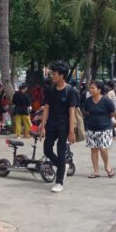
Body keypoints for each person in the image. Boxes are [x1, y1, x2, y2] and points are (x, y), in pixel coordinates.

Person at [38, 62, 79, 193]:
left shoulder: (70, 91)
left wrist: (71, 131)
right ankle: (62, 166)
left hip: (64, 124)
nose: (52, 76)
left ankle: (59, 182)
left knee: (61, 151)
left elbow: (72, 111)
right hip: (51, 123)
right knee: (47, 149)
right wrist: (42, 126)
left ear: (61, 75)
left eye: (54, 74)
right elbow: (46, 108)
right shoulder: (50, 89)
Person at [82, 81, 116, 178]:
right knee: (93, 150)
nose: (91, 90)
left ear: (99, 90)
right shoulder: (88, 101)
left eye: (93, 88)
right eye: (90, 88)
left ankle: (107, 166)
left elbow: (113, 112)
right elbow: (86, 112)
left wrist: (106, 119)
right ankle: (96, 171)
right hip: (91, 128)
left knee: (103, 148)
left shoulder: (106, 100)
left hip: (105, 128)